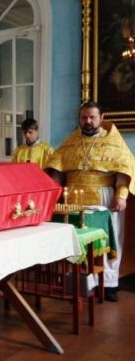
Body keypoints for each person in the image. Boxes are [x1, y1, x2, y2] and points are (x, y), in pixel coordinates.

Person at [46, 101, 135, 302]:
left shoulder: (114, 141)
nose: (88, 121)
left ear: (101, 118)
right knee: (75, 239)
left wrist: (121, 195)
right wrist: (52, 193)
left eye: (92, 117)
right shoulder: (70, 142)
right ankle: (78, 282)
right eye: (84, 117)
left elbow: (124, 171)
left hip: (104, 197)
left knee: (109, 240)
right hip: (73, 198)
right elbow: (57, 170)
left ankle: (109, 284)